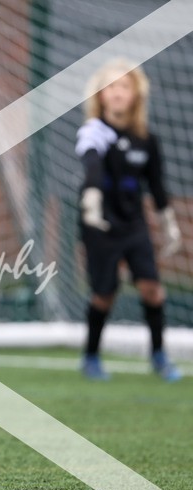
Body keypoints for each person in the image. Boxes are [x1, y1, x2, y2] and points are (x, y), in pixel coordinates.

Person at [76, 58, 182, 382]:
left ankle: (159, 356)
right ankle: (91, 357)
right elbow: (92, 164)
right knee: (104, 293)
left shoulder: (146, 140)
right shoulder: (94, 131)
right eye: (110, 86)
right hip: (100, 224)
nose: (117, 92)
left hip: (134, 224)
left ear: (136, 94)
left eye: (124, 86)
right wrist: (92, 199)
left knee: (152, 289)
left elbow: (157, 185)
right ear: (101, 95)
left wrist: (168, 224)